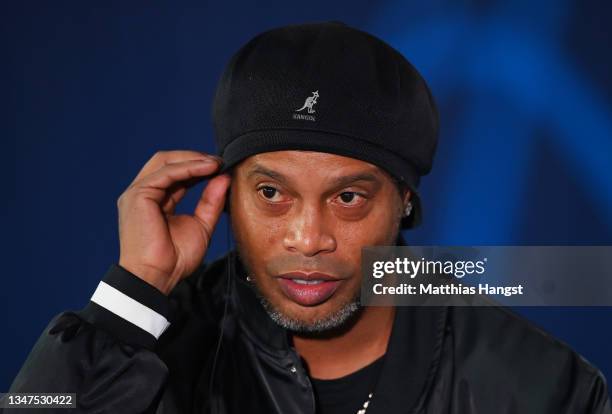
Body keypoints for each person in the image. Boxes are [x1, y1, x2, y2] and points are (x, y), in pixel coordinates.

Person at [6, 21, 610, 414]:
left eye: (348, 197)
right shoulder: (158, 344)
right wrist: (133, 294)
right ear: (223, 191)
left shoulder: (542, 388)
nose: (308, 238)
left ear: (405, 200)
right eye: (272, 193)